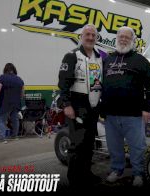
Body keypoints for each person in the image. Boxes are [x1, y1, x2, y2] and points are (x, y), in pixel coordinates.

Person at [101, 26, 150, 187]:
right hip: (110, 114)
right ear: (116, 39)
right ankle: (117, 170)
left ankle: (138, 173)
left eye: (127, 37)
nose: (123, 39)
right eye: (121, 37)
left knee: (137, 147)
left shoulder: (141, 61)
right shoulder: (108, 60)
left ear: (133, 41)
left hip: (133, 114)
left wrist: (147, 108)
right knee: (114, 146)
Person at [57, 24, 102, 188]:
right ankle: (74, 178)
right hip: (77, 104)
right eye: (87, 34)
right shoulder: (72, 55)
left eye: (93, 35)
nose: (90, 37)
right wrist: (66, 104)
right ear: (81, 37)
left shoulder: (99, 57)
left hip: (94, 105)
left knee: (90, 143)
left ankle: (86, 173)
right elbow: (63, 83)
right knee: (77, 143)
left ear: (96, 38)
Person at [0, 63, 24, 143]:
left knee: (1, 120)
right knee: (15, 120)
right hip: (16, 103)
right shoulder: (19, 79)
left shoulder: (2, 77)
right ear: (14, 69)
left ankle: (2, 138)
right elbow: (22, 93)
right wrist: (18, 99)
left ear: (5, 69)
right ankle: (14, 136)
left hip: (5, 103)